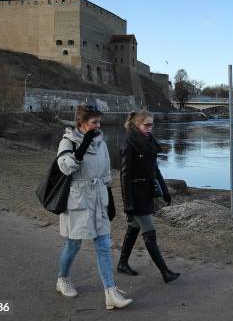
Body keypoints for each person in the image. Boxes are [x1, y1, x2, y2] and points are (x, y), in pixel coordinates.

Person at [55, 104, 132, 310]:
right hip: (77, 200)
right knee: (74, 245)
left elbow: (106, 172)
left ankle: (110, 293)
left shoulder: (101, 143)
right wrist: (81, 147)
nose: (98, 126)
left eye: (99, 121)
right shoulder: (67, 141)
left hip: (99, 198)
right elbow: (65, 168)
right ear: (81, 123)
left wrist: (110, 198)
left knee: (104, 245)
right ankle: (62, 279)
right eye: (94, 122)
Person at [116, 110, 180, 283]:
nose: (150, 128)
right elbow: (124, 177)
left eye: (152, 124)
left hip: (146, 192)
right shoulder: (129, 144)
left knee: (133, 228)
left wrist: (165, 190)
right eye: (147, 124)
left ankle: (122, 263)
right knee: (149, 233)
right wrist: (128, 204)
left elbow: (155, 169)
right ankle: (165, 272)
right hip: (135, 195)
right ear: (136, 124)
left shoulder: (148, 141)